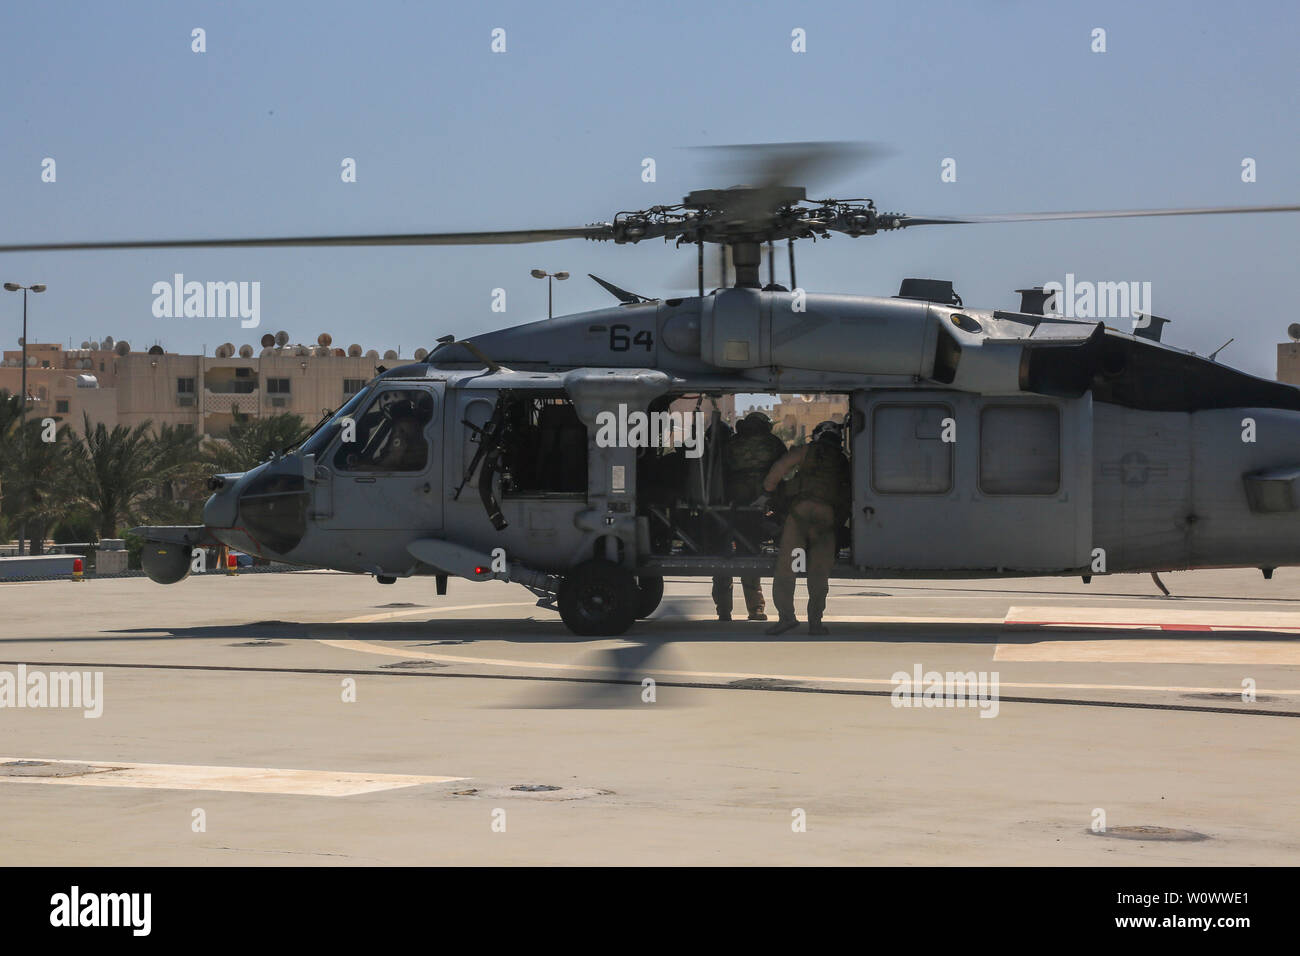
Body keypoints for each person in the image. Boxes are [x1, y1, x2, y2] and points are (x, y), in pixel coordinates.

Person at [760, 420, 850, 635]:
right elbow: (848, 493)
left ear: (817, 435)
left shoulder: (807, 451)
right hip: (826, 518)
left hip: (800, 513)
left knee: (786, 568)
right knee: (819, 573)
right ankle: (815, 623)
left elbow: (780, 468)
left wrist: (768, 490)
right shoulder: (843, 460)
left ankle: (786, 618)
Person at [712, 411, 787, 621]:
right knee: (750, 557)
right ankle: (755, 609)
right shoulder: (773, 443)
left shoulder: (732, 444)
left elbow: (719, 472)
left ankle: (723, 610)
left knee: (722, 557)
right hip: (760, 507)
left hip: (730, 507)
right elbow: (785, 471)